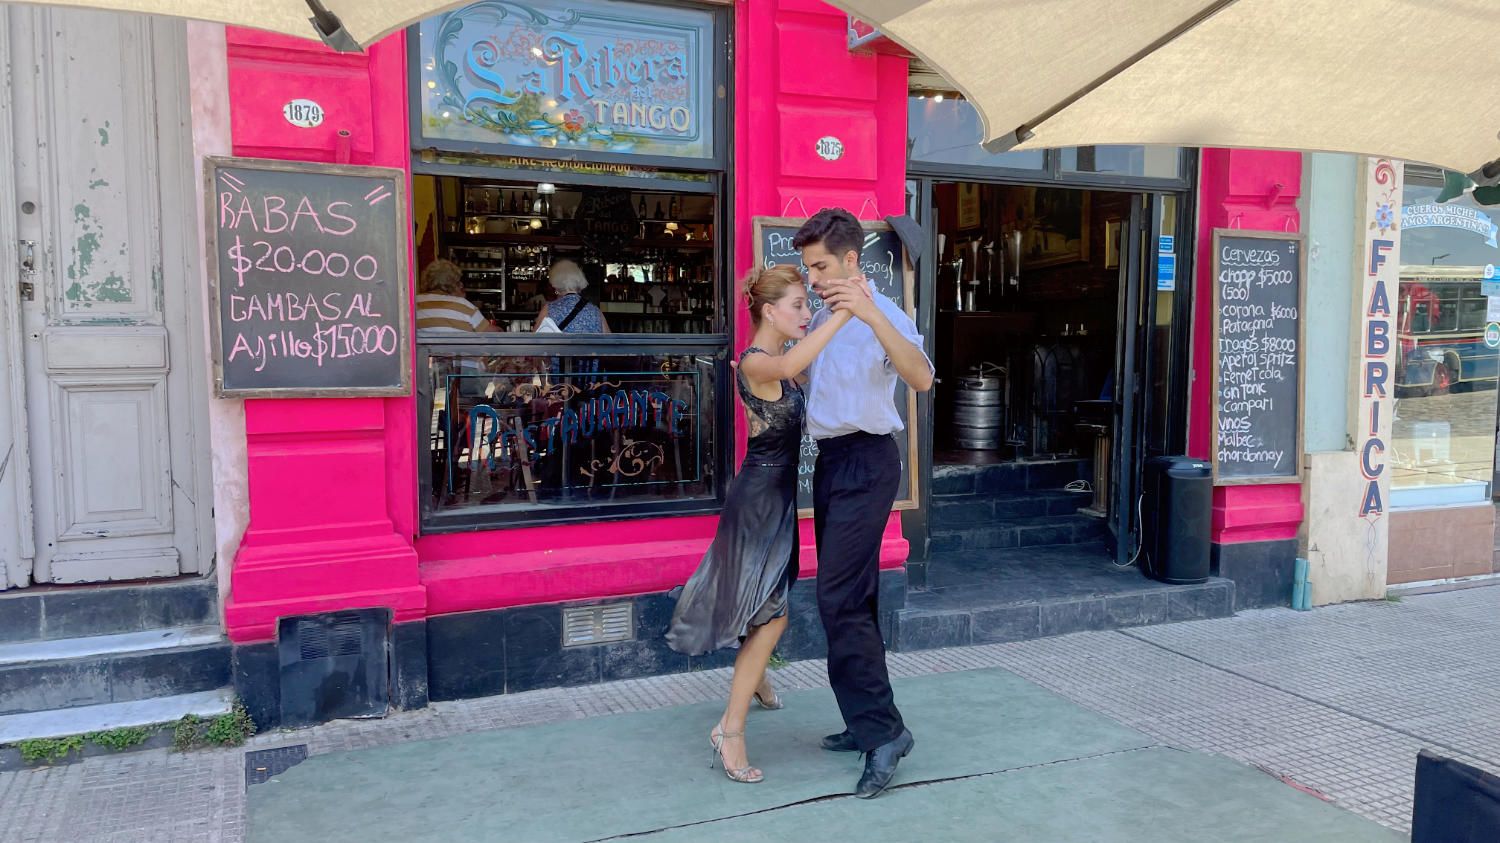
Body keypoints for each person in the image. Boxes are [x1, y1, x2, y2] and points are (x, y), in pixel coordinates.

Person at [665, 265, 855, 784]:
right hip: (758, 501)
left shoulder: (776, 363)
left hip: (776, 498)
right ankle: (729, 731)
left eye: (807, 304)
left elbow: (805, 372)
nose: (806, 313)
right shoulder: (758, 361)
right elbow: (790, 362)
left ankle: (757, 681)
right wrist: (845, 312)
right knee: (772, 616)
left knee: (769, 598)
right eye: (798, 305)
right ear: (769, 311)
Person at [795, 207, 934, 799]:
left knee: (839, 597)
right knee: (851, 596)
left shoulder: (887, 314)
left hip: (869, 461)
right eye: (808, 269)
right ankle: (864, 720)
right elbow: (814, 383)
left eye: (820, 267)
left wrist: (873, 314)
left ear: (852, 260)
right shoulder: (822, 318)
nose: (813, 279)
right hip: (832, 461)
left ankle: (885, 734)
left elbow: (921, 378)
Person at [415, 259, 497, 333]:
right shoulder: (464, 305)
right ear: (451, 283)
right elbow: (493, 334)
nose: (461, 285)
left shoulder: (413, 302)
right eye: (458, 281)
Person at [534, 259, 610, 333]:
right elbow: (609, 339)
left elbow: (534, 338)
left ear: (556, 283)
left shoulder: (549, 309)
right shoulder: (595, 310)